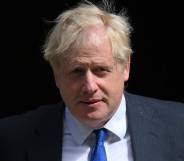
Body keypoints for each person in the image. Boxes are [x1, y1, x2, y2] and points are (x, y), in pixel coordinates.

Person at [0, 1, 184, 161]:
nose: (89, 87)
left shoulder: (178, 125)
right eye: (77, 72)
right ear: (56, 74)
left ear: (126, 67)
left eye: (101, 70)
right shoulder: (11, 139)